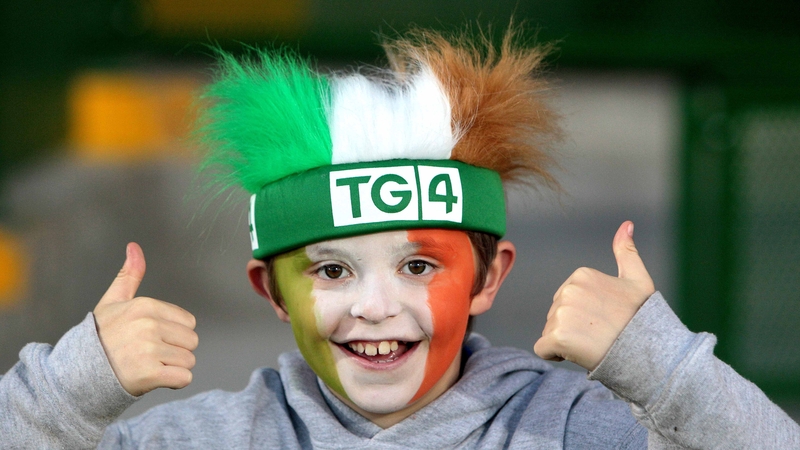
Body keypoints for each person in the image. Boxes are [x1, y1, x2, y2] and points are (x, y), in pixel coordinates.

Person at [2, 27, 799, 449]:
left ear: (490, 279)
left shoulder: (572, 429)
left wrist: (663, 371)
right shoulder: (203, 440)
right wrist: (65, 397)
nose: (375, 306)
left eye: (418, 264)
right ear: (270, 290)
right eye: (333, 271)